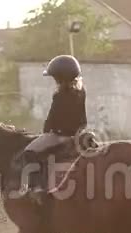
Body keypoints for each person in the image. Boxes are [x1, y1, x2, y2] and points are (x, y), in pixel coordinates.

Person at [19, 54, 88, 195]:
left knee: (29, 152)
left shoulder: (60, 95)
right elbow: (82, 119)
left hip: (60, 135)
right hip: (77, 135)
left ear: (60, 77)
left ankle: (36, 188)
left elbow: (51, 120)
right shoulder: (81, 92)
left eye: (55, 77)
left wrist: (46, 132)